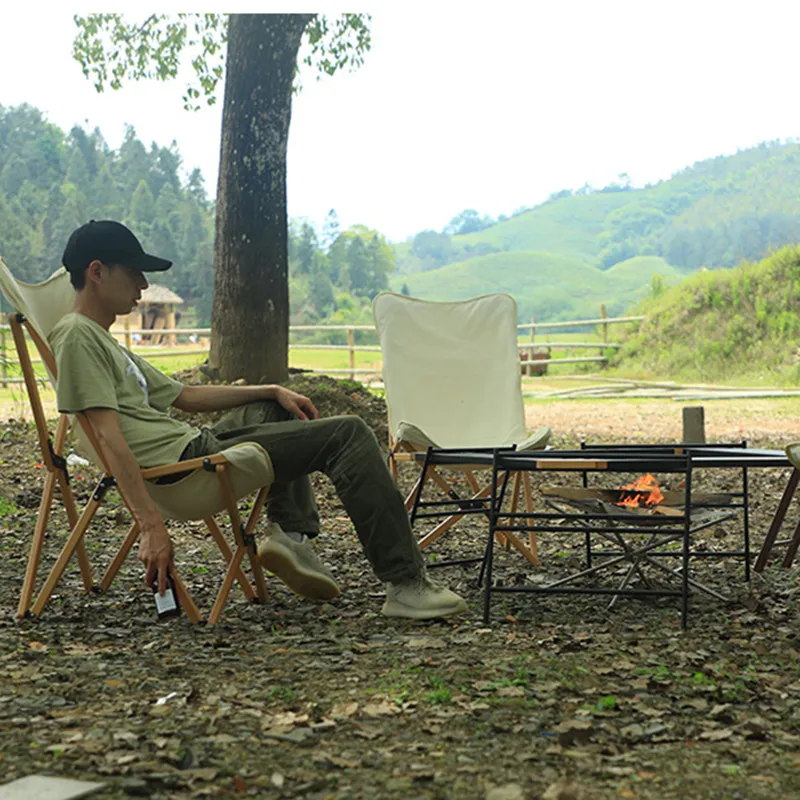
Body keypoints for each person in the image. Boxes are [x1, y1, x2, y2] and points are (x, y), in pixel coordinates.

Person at [49, 220, 467, 620]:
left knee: (280, 409)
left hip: (193, 446)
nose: (143, 284)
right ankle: (406, 584)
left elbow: (185, 396)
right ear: (98, 272)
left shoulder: (100, 338)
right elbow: (107, 437)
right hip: (185, 468)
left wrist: (269, 390)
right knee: (349, 433)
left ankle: (292, 538)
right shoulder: (76, 336)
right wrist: (150, 524)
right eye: (135, 272)